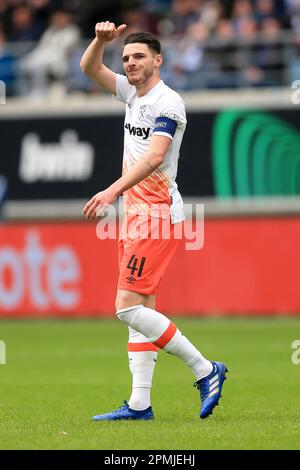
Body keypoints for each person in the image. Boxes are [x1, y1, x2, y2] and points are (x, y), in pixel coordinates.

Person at [81, 21, 228, 421]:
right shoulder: (130, 93)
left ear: (158, 61)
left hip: (156, 214)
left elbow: (155, 158)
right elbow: (90, 69)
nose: (130, 63)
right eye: (126, 58)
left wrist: (112, 191)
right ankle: (140, 404)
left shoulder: (168, 102)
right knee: (141, 307)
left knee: (126, 308)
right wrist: (100, 41)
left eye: (139, 57)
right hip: (135, 215)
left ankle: (204, 369)